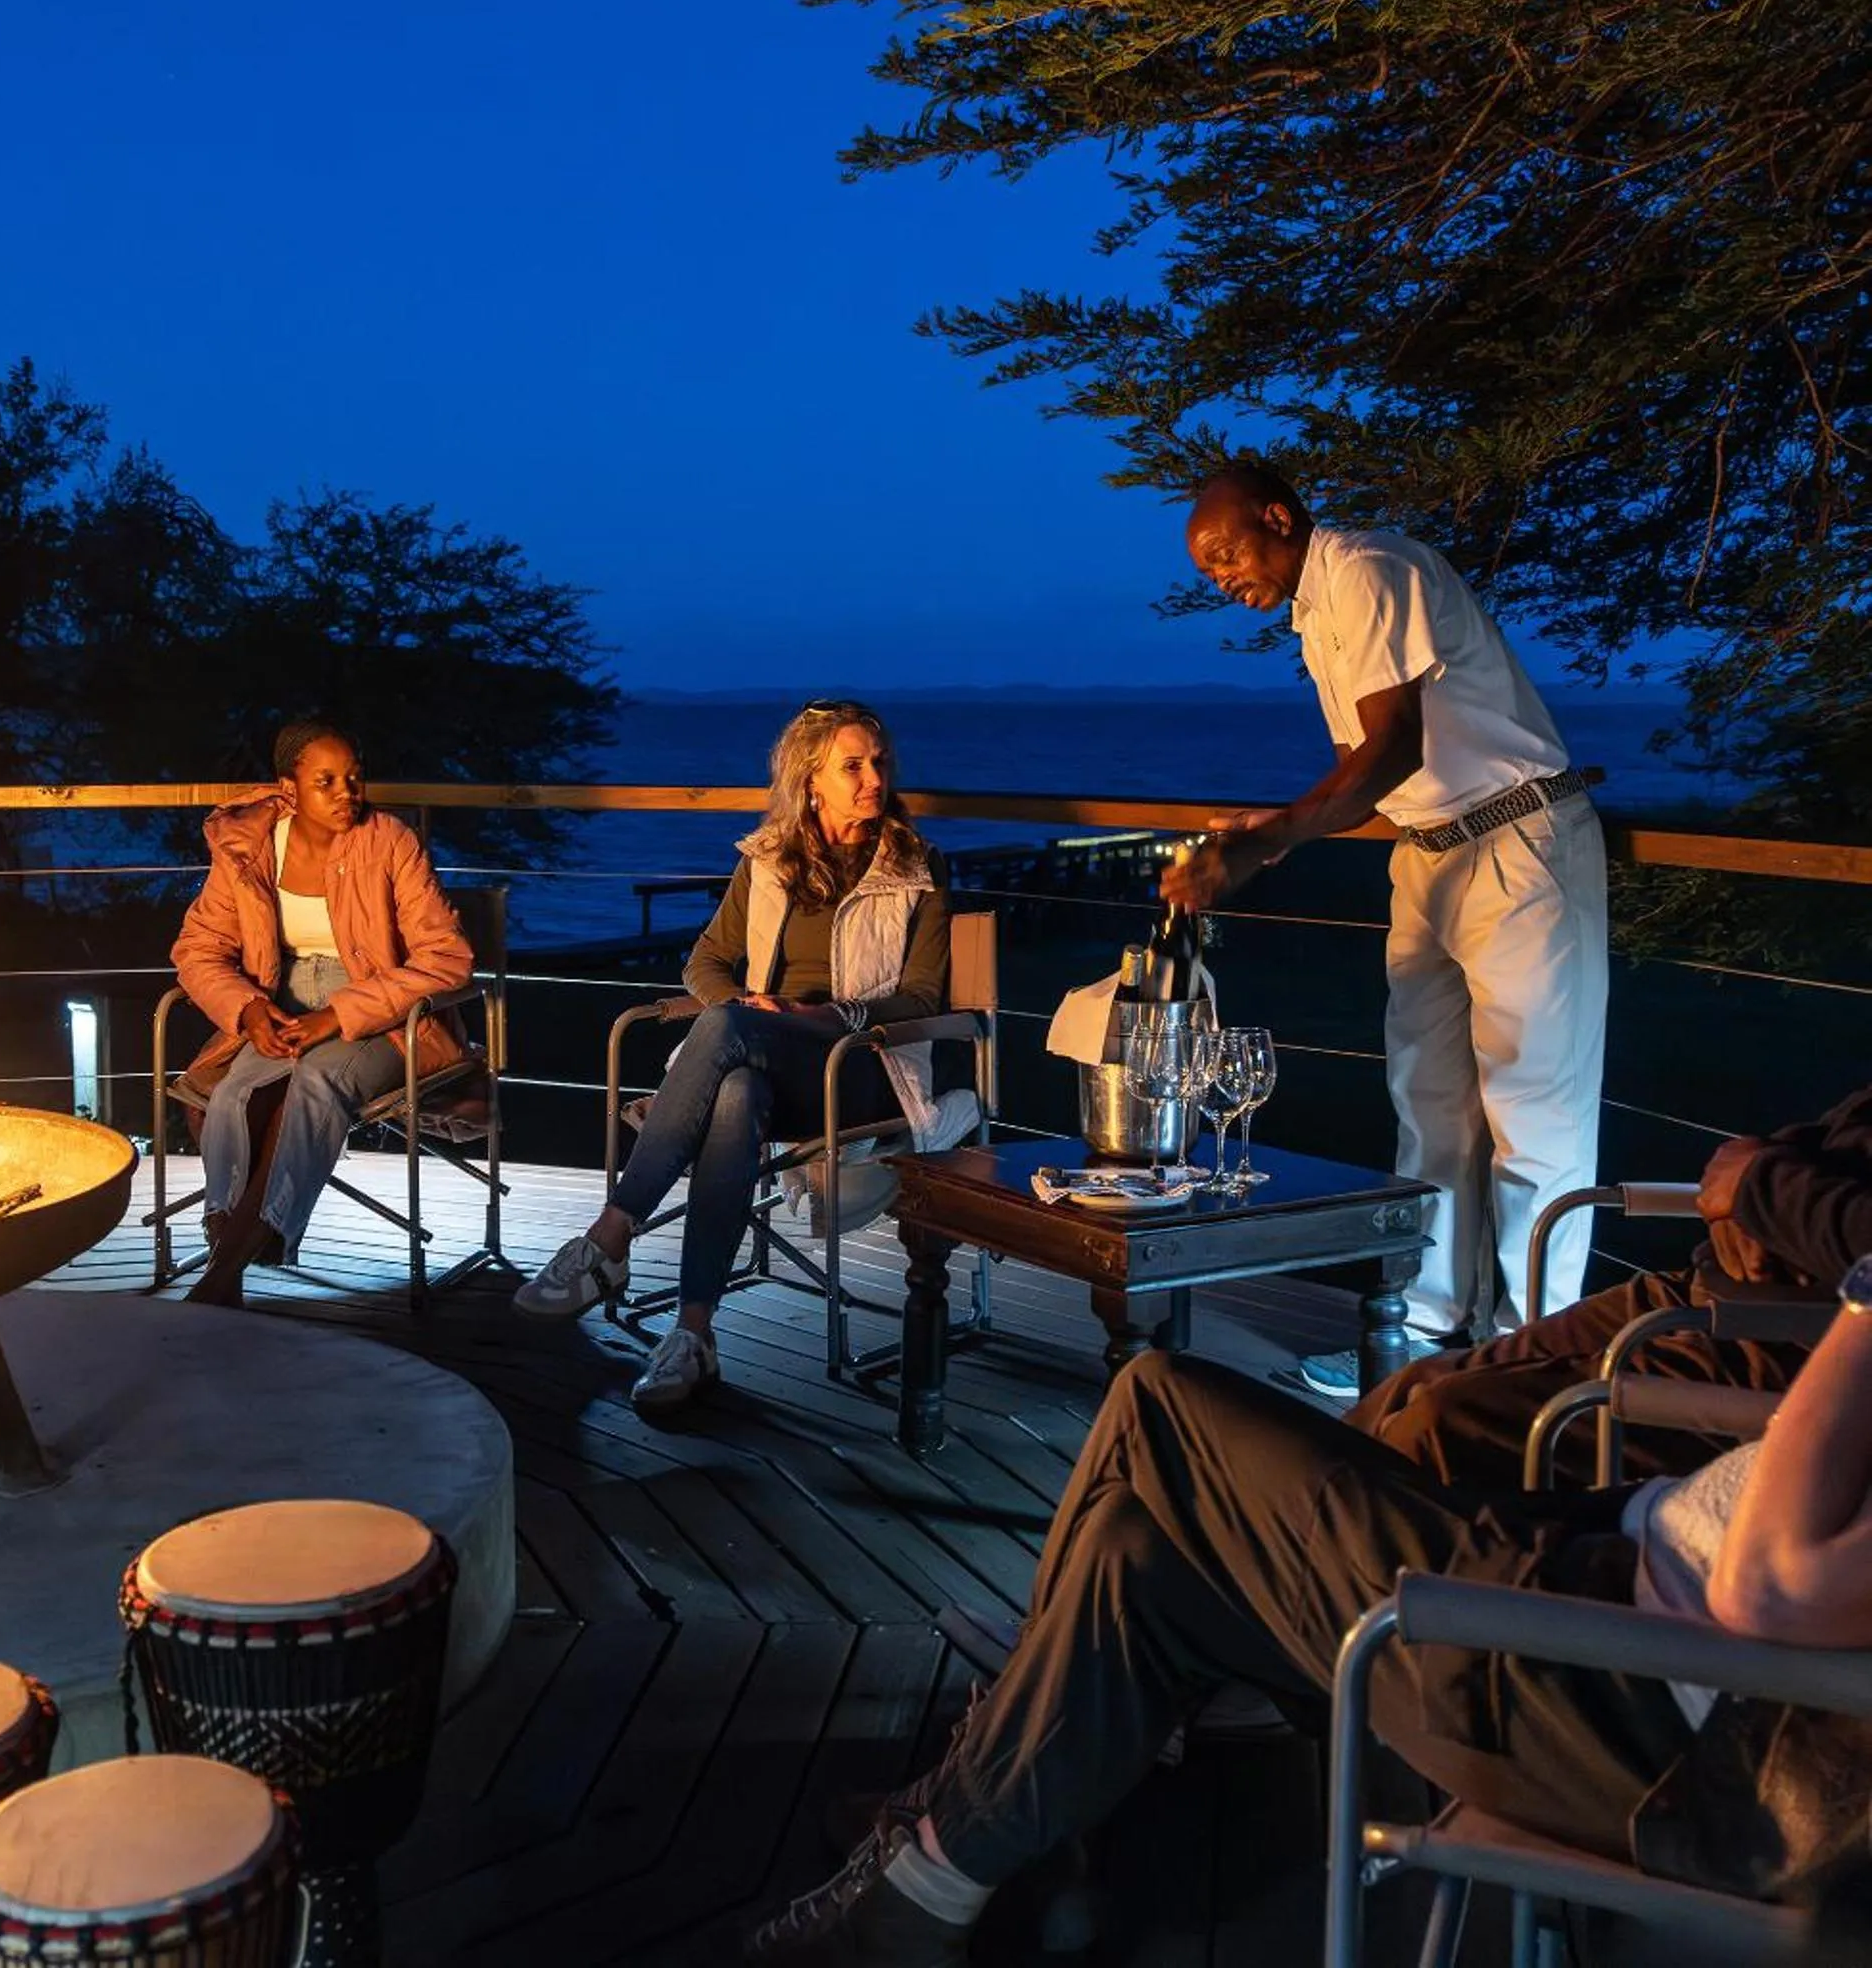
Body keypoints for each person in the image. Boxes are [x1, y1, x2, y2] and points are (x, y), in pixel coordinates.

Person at [744, 1259, 1872, 1965]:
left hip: (1592, 1691)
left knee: (1156, 1400)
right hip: (1586, 1596)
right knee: (1139, 1550)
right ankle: (953, 1856)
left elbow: (1766, 1584)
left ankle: (966, 1813)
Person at [1168, 462, 1608, 1398]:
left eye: (1224, 554)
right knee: (1428, 1105)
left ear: (1277, 517)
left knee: (1534, 1113)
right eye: (1207, 571)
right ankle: (1423, 1328)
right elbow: (1362, 772)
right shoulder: (1315, 615)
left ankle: (1534, 1359)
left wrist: (1263, 847)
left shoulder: (1370, 569)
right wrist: (1274, 828)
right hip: (1428, 853)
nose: (1220, 578)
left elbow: (1393, 748)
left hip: (1516, 842)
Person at [513, 700, 979, 1416]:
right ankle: (693, 1336)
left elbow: (919, 996)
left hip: (860, 1065)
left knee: (730, 1033)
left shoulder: (915, 866)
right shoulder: (766, 862)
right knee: (735, 1092)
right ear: (810, 780)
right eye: (852, 766)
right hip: (763, 1062)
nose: (873, 779)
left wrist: (823, 1016)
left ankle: (610, 1236)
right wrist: (745, 1008)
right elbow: (704, 962)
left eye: (879, 762)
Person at [1354, 1081, 1872, 1488]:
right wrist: (1756, 1166)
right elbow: (1830, 1142)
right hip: (1703, 1291)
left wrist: (1758, 1185)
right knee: (1417, 1382)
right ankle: (1314, 1549)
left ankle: (1367, 1575)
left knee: (1441, 1423)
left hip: (1803, 1350)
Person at [168, 719, 473, 1307]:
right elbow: (198, 949)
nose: (346, 793)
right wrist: (247, 1009)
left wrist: (337, 1015)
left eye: (354, 778)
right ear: (289, 788)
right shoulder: (249, 848)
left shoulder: (388, 841)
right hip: (278, 1002)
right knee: (234, 1094)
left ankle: (221, 1277)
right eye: (325, 781)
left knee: (315, 1082)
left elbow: (447, 957)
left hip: (379, 1010)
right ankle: (230, 1251)